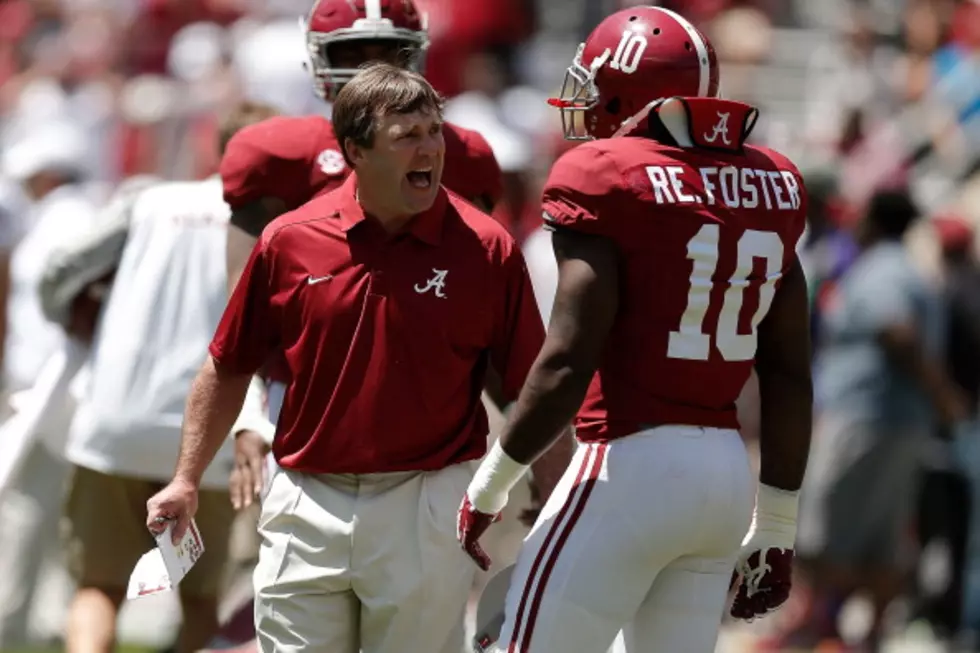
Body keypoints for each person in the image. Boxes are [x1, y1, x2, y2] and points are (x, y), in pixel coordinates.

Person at [147, 63, 546, 653]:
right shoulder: (288, 239)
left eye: (433, 131)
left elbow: (531, 385)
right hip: (306, 496)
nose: (429, 148)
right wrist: (184, 479)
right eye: (406, 134)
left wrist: (553, 491)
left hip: (427, 500)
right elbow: (228, 364)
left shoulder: (487, 246)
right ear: (355, 150)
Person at [456, 6, 813, 652]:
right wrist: (779, 522)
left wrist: (492, 483)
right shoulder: (773, 181)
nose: (584, 107)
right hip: (724, 473)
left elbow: (568, 358)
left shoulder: (607, 178)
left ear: (629, 92)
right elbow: (788, 369)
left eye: (596, 91)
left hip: (628, 462)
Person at [222, 0, 567, 524]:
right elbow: (242, 319)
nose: (373, 69)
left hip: (433, 414)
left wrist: (539, 463)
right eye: (354, 53)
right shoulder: (278, 156)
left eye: (391, 53)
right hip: (304, 410)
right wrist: (251, 419)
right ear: (319, 61)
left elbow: (492, 332)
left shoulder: (464, 156)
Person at [40, 102, 280, 653]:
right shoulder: (280, 224)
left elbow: (60, 270)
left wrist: (74, 320)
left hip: (115, 421)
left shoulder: (150, 200)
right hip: (212, 431)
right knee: (200, 597)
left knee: (97, 588)